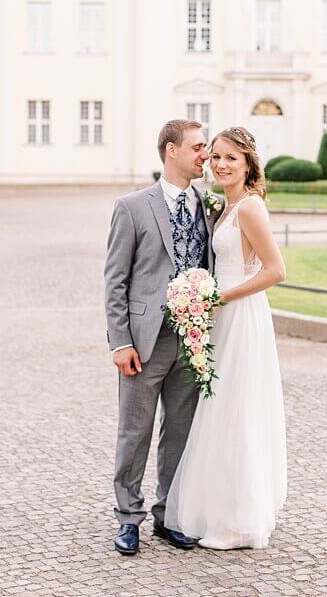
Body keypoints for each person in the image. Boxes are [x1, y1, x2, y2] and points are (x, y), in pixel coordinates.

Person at [164, 126, 288, 549]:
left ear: (249, 163)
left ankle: (241, 519)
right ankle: (222, 507)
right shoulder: (223, 207)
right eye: (215, 156)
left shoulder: (250, 207)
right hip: (222, 316)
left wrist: (218, 296)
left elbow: (275, 270)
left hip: (242, 315)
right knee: (221, 410)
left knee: (238, 410)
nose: (219, 164)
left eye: (231, 158)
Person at [104, 119, 217, 555]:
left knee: (180, 432)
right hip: (144, 340)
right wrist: (121, 342)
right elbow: (115, 280)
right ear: (171, 150)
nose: (204, 155)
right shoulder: (132, 206)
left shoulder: (208, 205)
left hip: (192, 339)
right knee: (135, 431)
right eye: (198, 147)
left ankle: (168, 515)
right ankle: (127, 518)